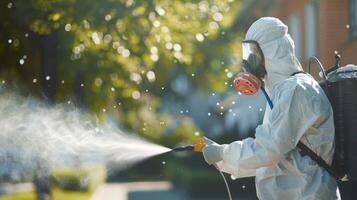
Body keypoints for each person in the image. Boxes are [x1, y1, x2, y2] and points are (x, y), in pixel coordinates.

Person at [202, 17, 340, 199]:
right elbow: (266, 161)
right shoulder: (283, 91)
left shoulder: (296, 90)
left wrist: (223, 152)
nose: (250, 62)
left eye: (254, 54)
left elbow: (267, 150)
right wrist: (222, 158)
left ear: (272, 51)